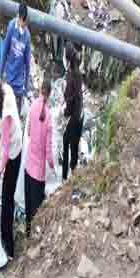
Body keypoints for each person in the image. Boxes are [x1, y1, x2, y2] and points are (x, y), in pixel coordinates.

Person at [0, 79, 23, 259]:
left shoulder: (6, 117)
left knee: (7, 200)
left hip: (12, 156)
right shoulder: (8, 89)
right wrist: (0, 135)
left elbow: (4, 152)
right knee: (8, 197)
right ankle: (6, 235)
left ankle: (8, 244)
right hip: (18, 147)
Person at [25, 78, 55, 237]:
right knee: (37, 208)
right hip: (38, 172)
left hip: (28, 166)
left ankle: (27, 233)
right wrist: (52, 165)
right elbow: (49, 149)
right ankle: (34, 238)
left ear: (40, 90)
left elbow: (29, 132)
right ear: (49, 94)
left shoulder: (32, 106)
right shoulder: (48, 116)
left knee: (28, 204)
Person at [0, 3, 32, 115]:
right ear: (19, 17)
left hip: (18, 84)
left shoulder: (27, 36)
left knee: (14, 114)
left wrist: (25, 89)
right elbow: (5, 50)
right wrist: (0, 75)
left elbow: (27, 64)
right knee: (4, 112)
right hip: (8, 78)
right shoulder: (11, 26)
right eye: (21, 21)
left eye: (24, 23)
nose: (22, 24)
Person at [63, 46, 83, 180]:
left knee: (65, 143)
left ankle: (64, 176)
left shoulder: (70, 75)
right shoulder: (78, 73)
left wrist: (65, 112)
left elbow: (70, 99)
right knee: (75, 144)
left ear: (67, 59)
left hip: (74, 115)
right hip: (80, 114)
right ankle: (74, 170)